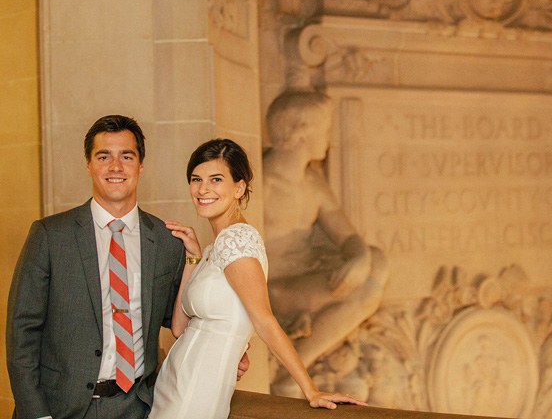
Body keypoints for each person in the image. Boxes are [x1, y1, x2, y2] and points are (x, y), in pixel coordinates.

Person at [6, 115, 250, 419]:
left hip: (137, 408)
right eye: (103, 156)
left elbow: (181, 321)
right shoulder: (49, 235)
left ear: (141, 165)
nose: (115, 167)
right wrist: (37, 414)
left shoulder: (166, 241)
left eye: (127, 156)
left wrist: (228, 351)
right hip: (60, 410)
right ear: (88, 164)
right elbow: (22, 332)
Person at [149, 138, 366, 418]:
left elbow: (265, 320)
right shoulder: (215, 246)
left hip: (199, 386)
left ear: (239, 187)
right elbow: (179, 328)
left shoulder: (237, 240)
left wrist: (310, 390)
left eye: (216, 179)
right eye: (196, 179)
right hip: (174, 381)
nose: (203, 189)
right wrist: (192, 257)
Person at [262, 90, 388, 394]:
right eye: (325, 129)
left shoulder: (312, 183)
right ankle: (291, 371)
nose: (328, 139)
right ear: (303, 132)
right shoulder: (261, 184)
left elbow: (348, 237)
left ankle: (297, 358)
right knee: (365, 292)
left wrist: (360, 259)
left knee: (377, 260)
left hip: (304, 275)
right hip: (275, 288)